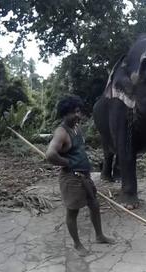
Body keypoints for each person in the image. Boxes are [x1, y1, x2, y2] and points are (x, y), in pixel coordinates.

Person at [46, 95, 115, 256]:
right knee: (73, 212)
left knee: (95, 205)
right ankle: (77, 245)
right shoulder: (61, 133)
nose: (77, 115)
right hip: (71, 178)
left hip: (84, 176)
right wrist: (67, 163)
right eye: (73, 112)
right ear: (64, 114)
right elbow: (50, 155)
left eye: (78, 111)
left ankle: (99, 236)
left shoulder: (76, 128)